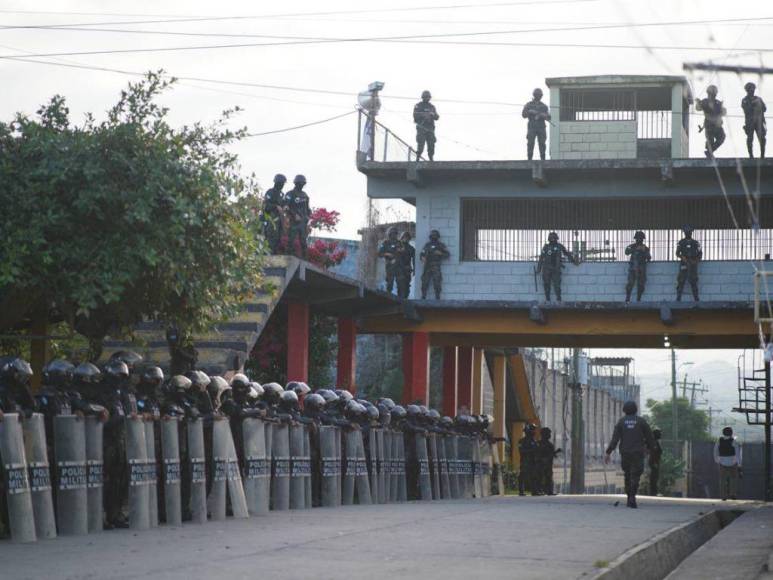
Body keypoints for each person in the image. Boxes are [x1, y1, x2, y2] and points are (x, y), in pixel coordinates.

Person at [605, 400, 654, 509]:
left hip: (625, 453)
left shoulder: (621, 422)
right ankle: (632, 496)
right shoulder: (642, 422)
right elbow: (650, 438)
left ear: (624, 410)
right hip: (638, 453)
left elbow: (615, 439)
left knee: (627, 475)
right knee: (635, 475)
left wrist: (608, 452)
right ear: (636, 410)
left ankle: (629, 497)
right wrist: (651, 449)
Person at [536, 232, 578, 302]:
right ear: (549, 239)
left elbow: (566, 253)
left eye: (554, 238)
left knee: (557, 285)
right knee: (546, 284)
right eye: (551, 238)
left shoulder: (559, 246)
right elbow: (541, 258)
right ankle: (548, 299)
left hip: (556, 269)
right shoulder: (546, 247)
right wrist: (538, 269)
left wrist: (573, 261)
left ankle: (558, 299)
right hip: (547, 269)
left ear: (556, 239)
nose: (553, 240)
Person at [695, 85, 726, 158]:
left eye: (714, 94)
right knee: (710, 141)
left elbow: (723, 112)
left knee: (722, 137)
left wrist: (722, 108)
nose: (713, 95)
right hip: (709, 126)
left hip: (717, 125)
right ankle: (709, 152)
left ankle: (709, 152)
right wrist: (698, 103)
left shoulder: (717, 102)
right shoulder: (705, 101)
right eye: (712, 93)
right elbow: (698, 108)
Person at [285, 174, 311, 258]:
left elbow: (308, 208)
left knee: (303, 241)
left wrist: (308, 217)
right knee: (291, 240)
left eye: (303, 183)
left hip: (303, 222)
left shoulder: (305, 195)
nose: (302, 185)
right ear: (296, 183)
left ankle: (305, 258)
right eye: (300, 183)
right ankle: (289, 256)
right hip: (294, 221)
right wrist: (294, 215)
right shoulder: (290, 194)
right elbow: (286, 207)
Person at [420, 230, 450, 300]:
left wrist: (440, 253)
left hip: (436, 266)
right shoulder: (427, 245)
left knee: (437, 282)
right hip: (427, 266)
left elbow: (447, 255)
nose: (433, 237)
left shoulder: (441, 245)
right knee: (425, 282)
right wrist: (422, 258)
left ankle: (437, 297)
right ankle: (423, 296)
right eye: (432, 236)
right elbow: (421, 254)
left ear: (437, 237)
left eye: (435, 236)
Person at [522, 88, 551, 161]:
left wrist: (543, 115)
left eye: (539, 95)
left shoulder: (544, 106)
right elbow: (523, 115)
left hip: (541, 127)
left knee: (542, 144)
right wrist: (530, 112)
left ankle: (543, 159)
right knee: (530, 143)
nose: (538, 96)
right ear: (534, 95)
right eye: (537, 95)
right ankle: (529, 159)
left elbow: (549, 117)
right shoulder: (528, 105)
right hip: (532, 126)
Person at [714, 426, 742, 501]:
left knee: (722, 480)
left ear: (723, 432)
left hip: (722, 463)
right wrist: (739, 464)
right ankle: (733, 494)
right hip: (733, 463)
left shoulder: (719, 440)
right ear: (731, 433)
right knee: (733, 479)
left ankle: (723, 496)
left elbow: (715, 451)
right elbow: (738, 454)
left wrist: (717, 460)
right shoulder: (734, 441)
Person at [262, 173, 287, 253]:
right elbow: (265, 206)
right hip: (270, 219)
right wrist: (275, 206)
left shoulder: (282, 194)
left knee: (278, 239)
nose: (282, 185)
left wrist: (285, 207)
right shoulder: (270, 192)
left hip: (279, 220)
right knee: (270, 238)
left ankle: (274, 254)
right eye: (281, 183)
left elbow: (283, 205)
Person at [676, 225, 702, 302]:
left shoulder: (696, 243)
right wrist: (682, 257)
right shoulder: (681, 242)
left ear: (691, 233)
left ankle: (696, 299)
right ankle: (678, 298)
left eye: (689, 232)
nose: (688, 233)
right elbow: (677, 253)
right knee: (681, 281)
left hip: (693, 264)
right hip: (684, 263)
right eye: (686, 232)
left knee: (693, 282)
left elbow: (700, 254)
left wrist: (696, 261)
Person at [741, 82, 766, 159]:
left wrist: (759, 104)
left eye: (753, 88)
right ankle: (751, 155)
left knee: (762, 139)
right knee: (750, 139)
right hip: (750, 122)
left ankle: (762, 155)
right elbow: (746, 109)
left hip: (759, 122)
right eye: (750, 88)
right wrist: (753, 104)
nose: (752, 90)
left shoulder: (758, 99)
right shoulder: (745, 100)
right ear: (747, 90)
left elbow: (764, 108)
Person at [625, 231, 651, 303]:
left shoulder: (645, 248)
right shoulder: (632, 246)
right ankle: (627, 299)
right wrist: (635, 249)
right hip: (633, 269)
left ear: (643, 239)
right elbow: (626, 252)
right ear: (635, 239)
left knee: (641, 285)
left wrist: (644, 251)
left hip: (641, 269)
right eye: (638, 238)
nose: (639, 240)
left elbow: (649, 258)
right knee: (630, 283)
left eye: (641, 238)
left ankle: (638, 300)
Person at [413, 90, 439, 161]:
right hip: (421, 128)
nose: (427, 98)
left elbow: (437, 117)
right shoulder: (418, 105)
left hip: (430, 129)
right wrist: (423, 115)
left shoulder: (432, 107)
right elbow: (415, 115)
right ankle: (417, 158)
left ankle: (431, 158)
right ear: (423, 97)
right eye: (425, 97)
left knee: (431, 144)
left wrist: (432, 114)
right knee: (420, 144)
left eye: (428, 97)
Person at [536, 427, 560, 496]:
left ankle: (549, 491)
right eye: (548, 433)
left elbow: (552, 454)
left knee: (549, 478)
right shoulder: (538, 443)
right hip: (540, 464)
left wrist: (555, 453)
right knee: (539, 478)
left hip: (548, 465)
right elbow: (536, 453)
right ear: (543, 434)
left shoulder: (550, 445)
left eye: (549, 433)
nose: (549, 435)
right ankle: (539, 490)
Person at [378, 227, 402, 294]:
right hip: (390, 265)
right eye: (393, 234)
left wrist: (401, 250)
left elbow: (403, 251)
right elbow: (380, 254)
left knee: (400, 283)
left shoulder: (399, 242)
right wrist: (387, 254)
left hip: (399, 266)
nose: (394, 235)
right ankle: (389, 295)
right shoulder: (385, 242)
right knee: (389, 282)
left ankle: (400, 299)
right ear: (390, 234)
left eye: (395, 234)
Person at [517, 424, 538, 496]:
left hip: (533, 461)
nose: (534, 432)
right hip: (525, 461)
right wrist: (532, 450)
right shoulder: (522, 441)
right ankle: (521, 491)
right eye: (532, 430)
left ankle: (534, 491)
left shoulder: (534, 441)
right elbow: (521, 451)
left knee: (534, 476)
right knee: (522, 476)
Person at [396, 231, 416, 299]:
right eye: (404, 237)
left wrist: (414, 270)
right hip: (399, 269)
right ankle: (399, 303)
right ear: (402, 238)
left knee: (406, 287)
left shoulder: (411, 248)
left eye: (407, 238)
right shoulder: (398, 246)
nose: (405, 239)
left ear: (409, 239)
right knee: (400, 287)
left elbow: (414, 260)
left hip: (407, 269)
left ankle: (404, 302)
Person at [648, 428, 663, 496]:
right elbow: (653, 453)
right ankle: (653, 492)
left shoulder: (655, 441)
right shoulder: (654, 442)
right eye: (659, 433)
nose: (661, 435)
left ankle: (654, 491)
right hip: (654, 462)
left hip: (655, 461)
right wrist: (654, 463)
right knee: (654, 477)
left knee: (655, 477)